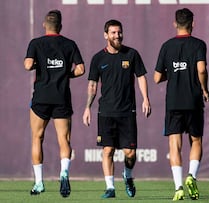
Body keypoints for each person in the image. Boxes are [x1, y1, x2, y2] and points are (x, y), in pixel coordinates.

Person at [82, 19, 151, 199]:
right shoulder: (98, 58)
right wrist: (87, 107)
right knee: (108, 150)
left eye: (119, 32)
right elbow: (92, 85)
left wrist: (145, 99)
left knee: (130, 153)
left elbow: (141, 77)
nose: (117, 35)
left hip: (127, 112)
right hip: (106, 112)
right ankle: (110, 188)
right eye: (113, 32)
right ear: (106, 35)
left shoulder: (132, 54)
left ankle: (127, 176)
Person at [24, 10, 85, 198]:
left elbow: (27, 65)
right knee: (64, 140)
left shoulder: (36, 43)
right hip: (61, 97)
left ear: (44, 25)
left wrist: (40, 66)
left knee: (37, 137)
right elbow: (81, 69)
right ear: (60, 26)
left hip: (41, 97)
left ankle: (39, 183)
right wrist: (65, 73)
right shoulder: (69, 44)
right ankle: (64, 172)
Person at [154, 8, 209, 201]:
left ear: (175, 24)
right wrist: (204, 89)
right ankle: (191, 176)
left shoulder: (167, 46)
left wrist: (175, 73)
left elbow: (156, 77)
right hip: (193, 99)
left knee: (174, 145)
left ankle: (178, 187)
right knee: (196, 141)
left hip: (174, 101)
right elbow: (201, 70)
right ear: (192, 23)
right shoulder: (198, 44)